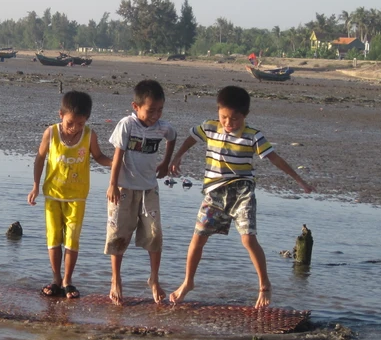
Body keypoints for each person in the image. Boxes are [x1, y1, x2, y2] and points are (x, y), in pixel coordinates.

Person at [169, 85, 314, 308]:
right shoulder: (209, 127)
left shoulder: (252, 136)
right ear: (218, 112)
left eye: (234, 119)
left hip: (242, 191)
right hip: (213, 192)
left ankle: (264, 284)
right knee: (198, 238)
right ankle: (188, 282)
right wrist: (177, 157)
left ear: (245, 115)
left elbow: (275, 158)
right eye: (224, 117)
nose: (228, 123)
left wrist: (299, 180)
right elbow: (190, 138)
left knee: (248, 238)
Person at [27, 91, 112, 299]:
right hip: (53, 195)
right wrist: (36, 186)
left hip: (77, 197)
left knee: (72, 239)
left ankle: (68, 281)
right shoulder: (51, 133)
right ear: (61, 115)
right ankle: (56, 278)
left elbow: (99, 156)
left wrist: (115, 162)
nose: (75, 128)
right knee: (54, 237)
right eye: (70, 123)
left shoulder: (89, 136)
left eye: (80, 124)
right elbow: (39, 159)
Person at [105, 79, 177, 305]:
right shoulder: (127, 124)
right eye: (150, 110)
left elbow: (172, 136)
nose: (155, 115)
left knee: (154, 236)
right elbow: (117, 157)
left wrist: (166, 162)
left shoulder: (162, 127)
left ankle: (154, 279)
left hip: (149, 190)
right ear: (136, 107)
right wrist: (112, 184)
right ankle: (116, 279)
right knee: (119, 236)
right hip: (124, 188)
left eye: (160, 110)